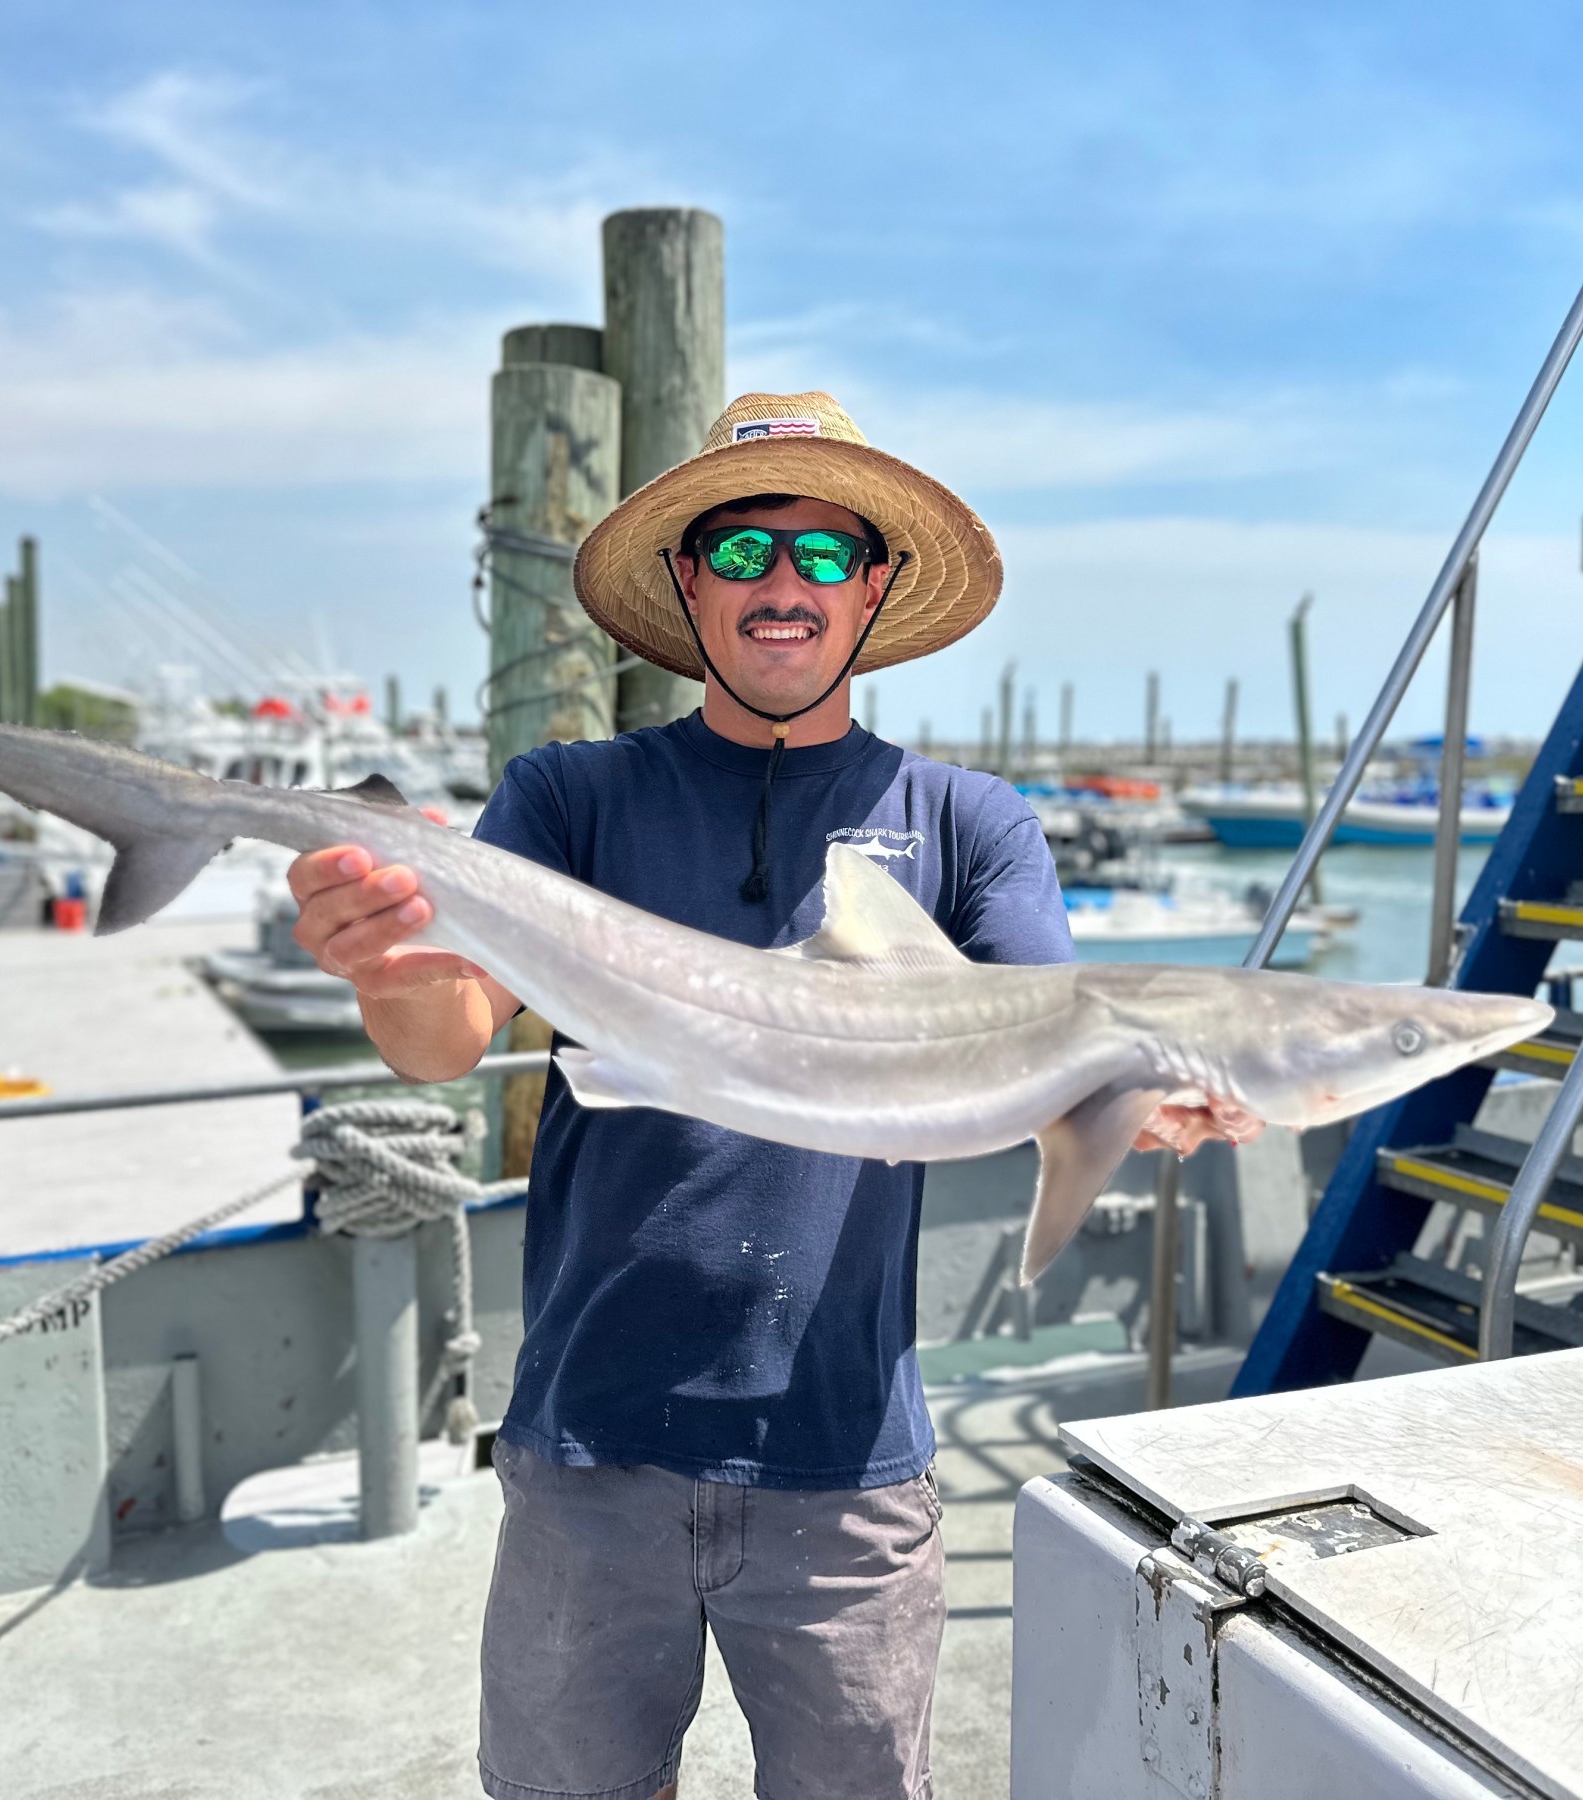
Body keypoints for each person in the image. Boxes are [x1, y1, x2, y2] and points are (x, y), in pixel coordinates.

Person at [289, 391, 1221, 1799]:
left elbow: (1049, 1042)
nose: (781, 587)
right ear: (686, 580)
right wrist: (385, 961)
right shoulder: (569, 798)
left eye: (826, 557)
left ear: (877, 585)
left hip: (842, 1455)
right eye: (738, 552)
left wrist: (1152, 1098)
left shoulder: (969, 822)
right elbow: (440, 1037)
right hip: (591, 1442)